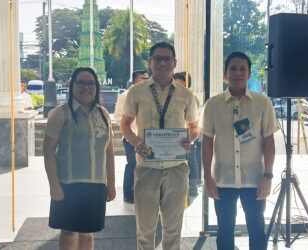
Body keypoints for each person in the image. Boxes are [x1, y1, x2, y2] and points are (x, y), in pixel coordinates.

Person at [120, 42, 199, 250]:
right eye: (158, 58)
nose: (162, 63)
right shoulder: (136, 92)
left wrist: (189, 138)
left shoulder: (186, 95)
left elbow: (194, 127)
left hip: (176, 169)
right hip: (147, 168)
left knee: (173, 229)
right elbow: (125, 125)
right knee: (145, 230)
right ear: (150, 62)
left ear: (174, 63)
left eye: (167, 59)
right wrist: (137, 142)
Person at [201, 51, 279, 250]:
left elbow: (269, 141)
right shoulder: (213, 104)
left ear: (249, 73)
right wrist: (208, 177)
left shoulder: (262, 103)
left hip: (254, 178)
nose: (237, 73)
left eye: (242, 69)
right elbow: (207, 142)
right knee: (225, 230)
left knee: (256, 228)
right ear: (225, 74)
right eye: (233, 69)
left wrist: (268, 175)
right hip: (223, 180)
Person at [43, 67, 116, 250]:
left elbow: (109, 151)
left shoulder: (103, 114)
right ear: (72, 86)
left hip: (96, 184)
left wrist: (111, 184)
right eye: (80, 83)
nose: (86, 87)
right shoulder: (60, 114)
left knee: (87, 233)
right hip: (69, 184)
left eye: (90, 83)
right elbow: (48, 151)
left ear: (96, 86)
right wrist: (54, 185)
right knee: (68, 233)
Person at [114, 70, 149, 204]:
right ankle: (128, 193)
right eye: (143, 78)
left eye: (147, 78)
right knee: (133, 164)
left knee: (145, 166)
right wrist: (130, 130)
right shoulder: (125, 95)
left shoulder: (150, 94)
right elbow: (118, 117)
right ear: (136, 80)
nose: (146, 80)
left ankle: (142, 192)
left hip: (147, 137)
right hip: (131, 137)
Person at [173, 72, 201, 200]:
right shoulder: (172, 96)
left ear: (185, 83)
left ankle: (193, 187)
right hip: (174, 140)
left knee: (192, 162)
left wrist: (190, 136)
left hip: (188, 137)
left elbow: (194, 122)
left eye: (177, 82)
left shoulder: (191, 98)